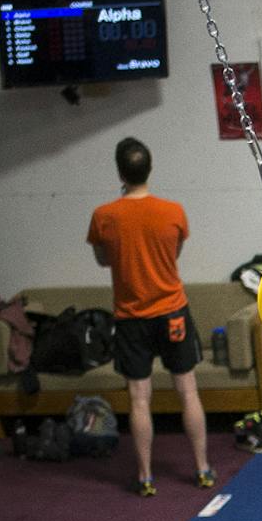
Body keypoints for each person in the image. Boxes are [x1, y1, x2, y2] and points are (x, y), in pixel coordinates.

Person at [87, 138, 213, 497]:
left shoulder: (104, 216)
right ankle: (203, 468)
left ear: (119, 172)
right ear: (150, 169)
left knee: (139, 398)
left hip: (131, 318)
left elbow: (102, 260)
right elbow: (176, 252)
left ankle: (145, 476)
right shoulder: (173, 211)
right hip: (172, 311)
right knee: (187, 391)